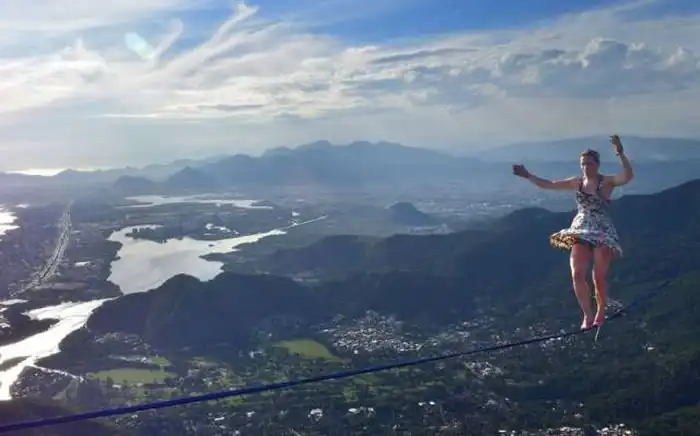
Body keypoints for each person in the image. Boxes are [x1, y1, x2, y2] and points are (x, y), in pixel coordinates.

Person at [512, 135, 634, 330]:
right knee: (577, 274)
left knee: (598, 277)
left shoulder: (607, 181)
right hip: (581, 227)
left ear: (597, 165)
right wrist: (528, 175)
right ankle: (587, 314)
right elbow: (550, 184)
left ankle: (600, 311)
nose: (585, 167)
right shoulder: (576, 182)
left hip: (601, 229)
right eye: (583, 164)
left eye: (589, 163)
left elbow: (627, 176)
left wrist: (620, 153)